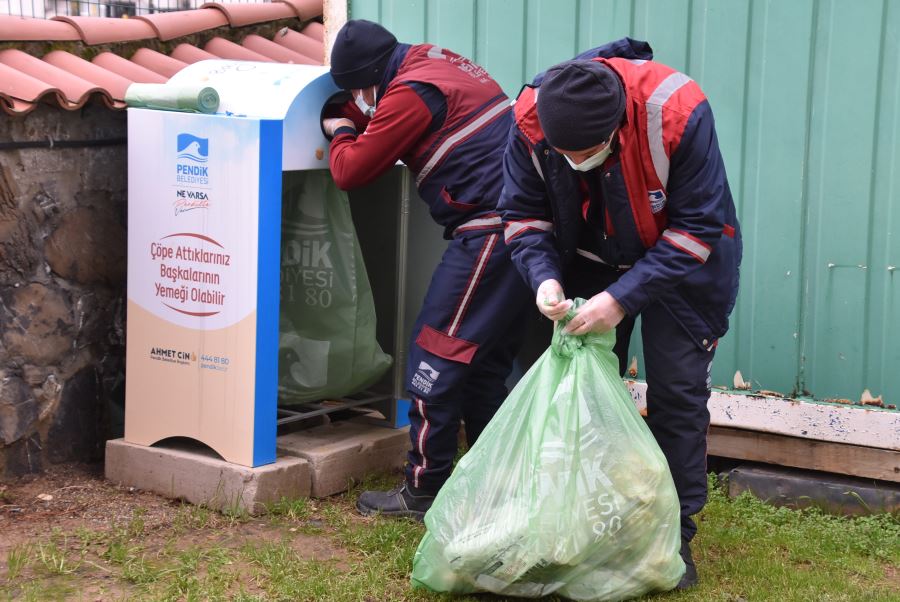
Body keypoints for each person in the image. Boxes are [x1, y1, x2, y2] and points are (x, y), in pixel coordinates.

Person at [498, 38, 742, 589]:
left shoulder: (677, 110)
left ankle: (670, 536)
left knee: (677, 392)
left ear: (617, 128)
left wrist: (621, 299)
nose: (574, 163)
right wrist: (545, 280)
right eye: (564, 153)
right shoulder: (531, 120)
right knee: (564, 384)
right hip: (588, 256)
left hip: (684, 263)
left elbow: (698, 226)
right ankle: (563, 523)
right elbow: (521, 216)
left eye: (586, 152)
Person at [321, 19, 532, 520]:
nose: (360, 98)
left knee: (433, 355)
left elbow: (349, 171)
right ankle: (493, 483)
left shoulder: (410, 93)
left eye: (358, 89)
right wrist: (355, 104)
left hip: (489, 234)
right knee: (483, 369)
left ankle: (423, 491)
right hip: (520, 230)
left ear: (371, 77)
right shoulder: (435, 61)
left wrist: (342, 129)